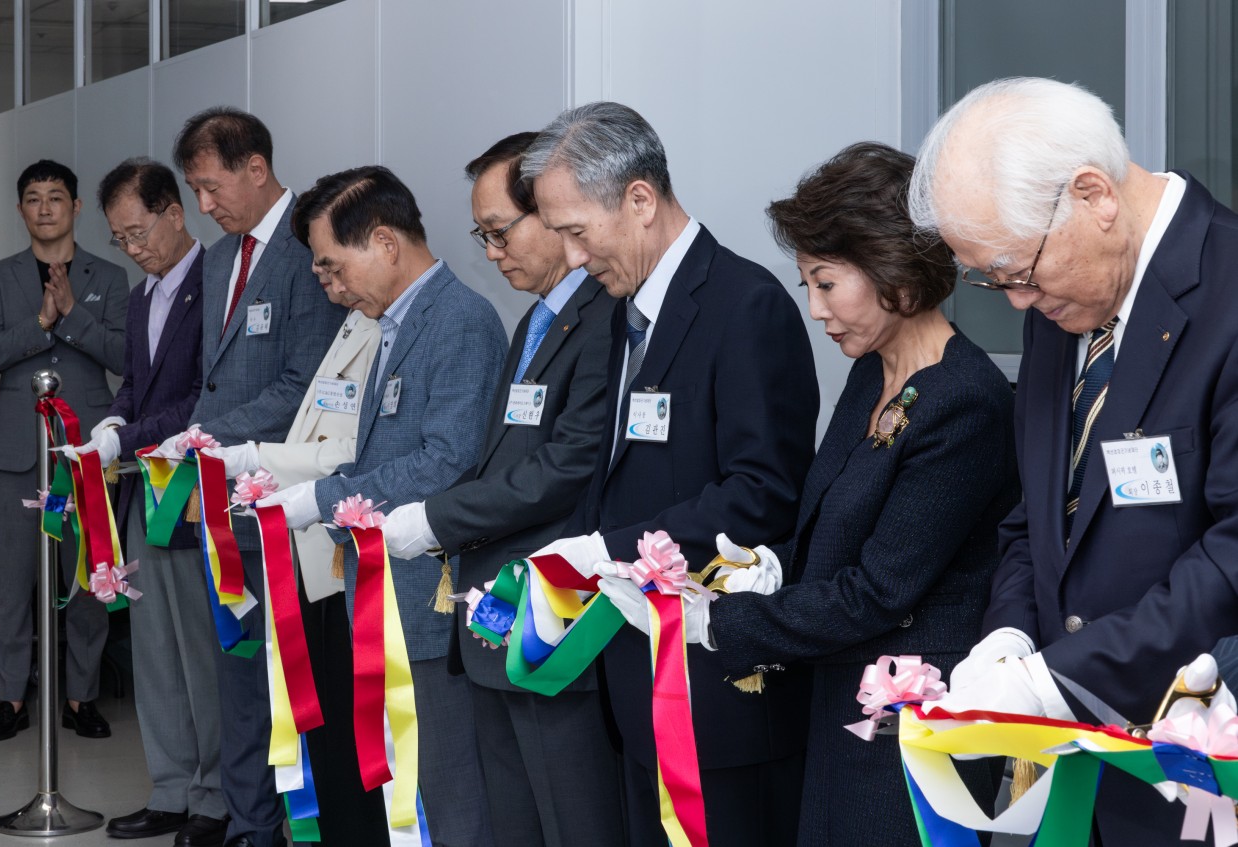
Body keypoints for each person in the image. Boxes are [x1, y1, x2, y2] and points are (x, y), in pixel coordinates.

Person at [622, 142, 1013, 845]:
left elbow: (879, 590)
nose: (814, 308)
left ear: (892, 269)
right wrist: (762, 568)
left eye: (826, 283)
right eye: (808, 284)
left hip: (910, 719)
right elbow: (831, 525)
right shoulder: (872, 373)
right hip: (836, 697)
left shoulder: (966, 399)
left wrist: (721, 623)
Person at [910, 76, 1238, 844]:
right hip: (1069, 780)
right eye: (991, 280)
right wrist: (1009, 635)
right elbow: (1041, 510)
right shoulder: (1062, 306)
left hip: (1190, 780)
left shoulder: (1227, 292)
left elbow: (1232, 554)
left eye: (1017, 273)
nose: (1016, 301)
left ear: (1094, 195)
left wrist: (1054, 679)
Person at [520, 102, 819, 846]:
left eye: (577, 232)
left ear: (640, 199)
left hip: (720, 694)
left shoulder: (744, 306)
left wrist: (606, 550)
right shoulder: (623, 312)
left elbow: (762, 494)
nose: (573, 257)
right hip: (640, 680)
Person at [379, 131, 622, 847]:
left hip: (552, 619)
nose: (491, 253)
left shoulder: (604, 319)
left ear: (553, 211)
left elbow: (566, 466)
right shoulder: (537, 320)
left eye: (499, 231)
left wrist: (438, 518)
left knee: (571, 819)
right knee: (514, 817)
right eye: (481, 236)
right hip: (495, 613)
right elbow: (502, 458)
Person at [255, 164, 506, 847]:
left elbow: (445, 460)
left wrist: (322, 497)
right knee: (408, 790)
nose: (332, 286)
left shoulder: (458, 321)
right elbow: (382, 454)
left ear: (386, 243)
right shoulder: (393, 323)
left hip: (427, 601)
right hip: (385, 595)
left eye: (335, 267)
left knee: (449, 794)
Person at [168, 107, 346, 847]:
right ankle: (249, 825)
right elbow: (213, 378)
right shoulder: (218, 260)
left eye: (212, 187)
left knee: (291, 673)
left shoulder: (311, 247)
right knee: (237, 669)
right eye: (195, 191)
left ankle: (298, 826)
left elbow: (305, 386)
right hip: (221, 504)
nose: (204, 205)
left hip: (282, 499)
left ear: (256, 168)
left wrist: (213, 438)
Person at [62, 158, 227, 845]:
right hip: (142, 493)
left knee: (203, 653)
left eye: (138, 232)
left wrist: (123, 437)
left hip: (191, 495)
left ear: (174, 213)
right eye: (120, 238)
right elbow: (135, 384)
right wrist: (110, 422)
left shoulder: (218, 283)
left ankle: (215, 797)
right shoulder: (138, 299)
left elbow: (200, 397)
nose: (132, 248)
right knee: (155, 648)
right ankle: (169, 788)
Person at [204, 257, 384, 845]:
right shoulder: (353, 319)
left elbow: (350, 450)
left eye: (331, 266)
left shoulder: (388, 326)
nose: (323, 281)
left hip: (340, 540)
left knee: (352, 735)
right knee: (321, 728)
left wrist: (257, 457)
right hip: (310, 547)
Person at [0, 159, 128, 743]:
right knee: (11, 582)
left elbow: (124, 357)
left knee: (86, 578)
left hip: (86, 450)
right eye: (33, 198)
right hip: (16, 451)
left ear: (76, 207)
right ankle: (10, 698)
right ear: (20, 210)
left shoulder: (109, 275)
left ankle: (80, 697)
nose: (45, 207)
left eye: (56, 197)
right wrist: (41, 320)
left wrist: (73, 314)